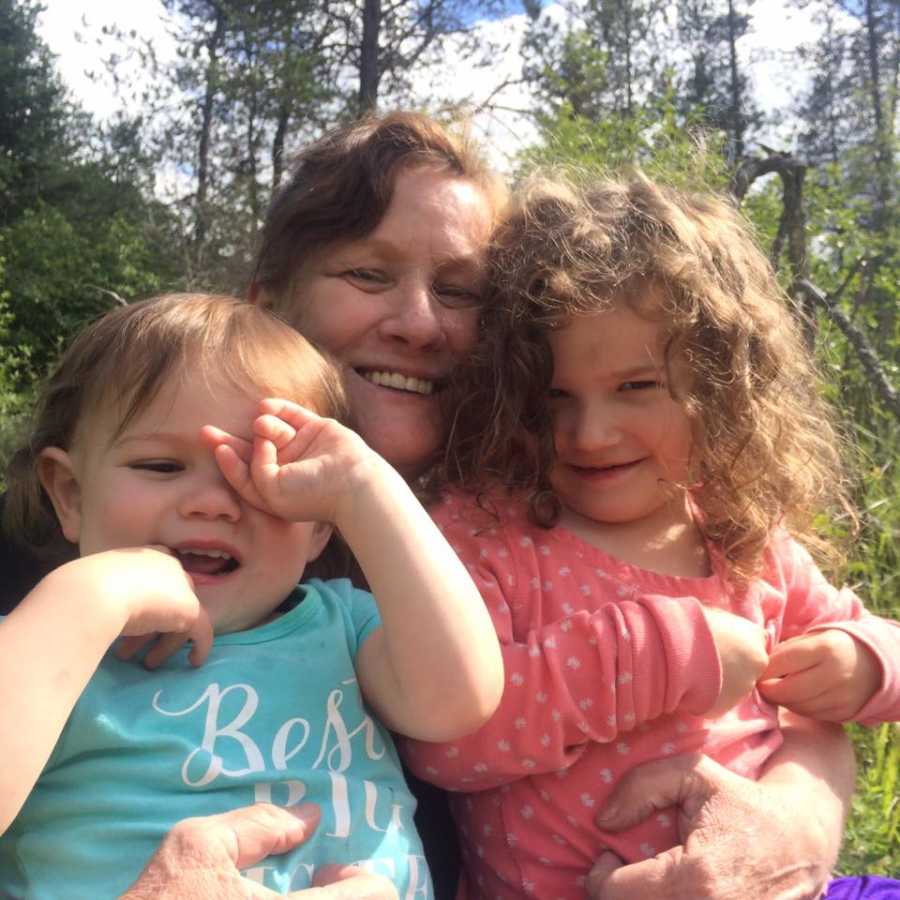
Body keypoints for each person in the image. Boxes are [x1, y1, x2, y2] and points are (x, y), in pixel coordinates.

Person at [0, 111, 877, 899]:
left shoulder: (596, 501)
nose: (419, 323)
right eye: (369, 274)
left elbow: (801, 679)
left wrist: (797, 818)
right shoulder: (69, 570)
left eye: (457, 291)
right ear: (269, 302)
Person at [402, 171, 900, 897]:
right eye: (553, 397)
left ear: (721, 387)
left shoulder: (740, 533)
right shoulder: (485, 534)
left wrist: (864, 662)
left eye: (636, 387)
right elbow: (448, 739)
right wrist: (655, 657)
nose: (589, 432)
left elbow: (877, 643)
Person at [0, 293, 503, 899]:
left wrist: (364, 487)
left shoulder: (342, 628)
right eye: (161, 465)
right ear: (71, 495)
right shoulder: (43, 645)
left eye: (261, 476)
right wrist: (85, 601)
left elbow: (459, 700)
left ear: (320, 525)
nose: (212, 502)